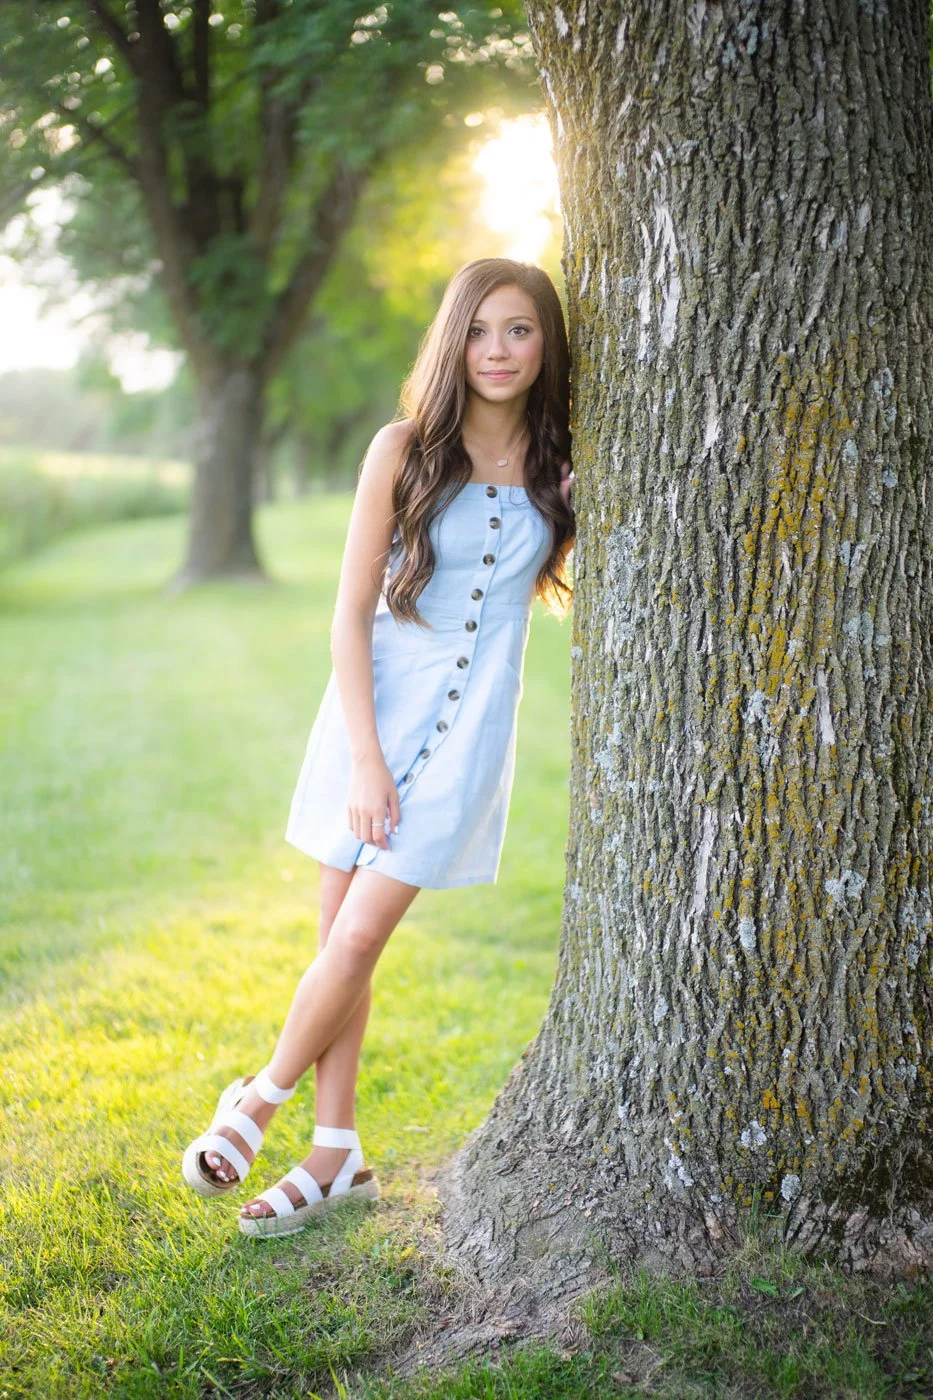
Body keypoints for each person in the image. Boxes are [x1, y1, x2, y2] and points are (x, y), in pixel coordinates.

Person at [182, 256, 575, 1238]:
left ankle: (256, 1101)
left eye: (519, 329)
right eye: (477, 330)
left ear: (546, 344)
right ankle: (335, 1153)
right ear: (453, 341)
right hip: (370, 720)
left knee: (356, 940)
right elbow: (350, 612)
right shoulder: (402, 449)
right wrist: (365, 758)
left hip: (467, 737)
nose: (497, 350)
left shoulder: (561, 465)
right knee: (339, 949)